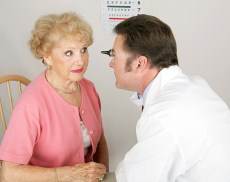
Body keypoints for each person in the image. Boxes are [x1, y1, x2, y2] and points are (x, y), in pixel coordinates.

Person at [101, 14, 230, 182]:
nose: (110, 64)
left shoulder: (165, 115)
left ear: (139, 63)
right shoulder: (195, 85)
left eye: (113, 55)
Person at [0, 12, 109, 182]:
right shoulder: (31, 104)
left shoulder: (88, 88)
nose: (80, 60)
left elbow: (100, 139)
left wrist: (102, 174)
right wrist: (64, 175)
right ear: (47, 57)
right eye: (68, 53)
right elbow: (8, 173)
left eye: (83, 50)